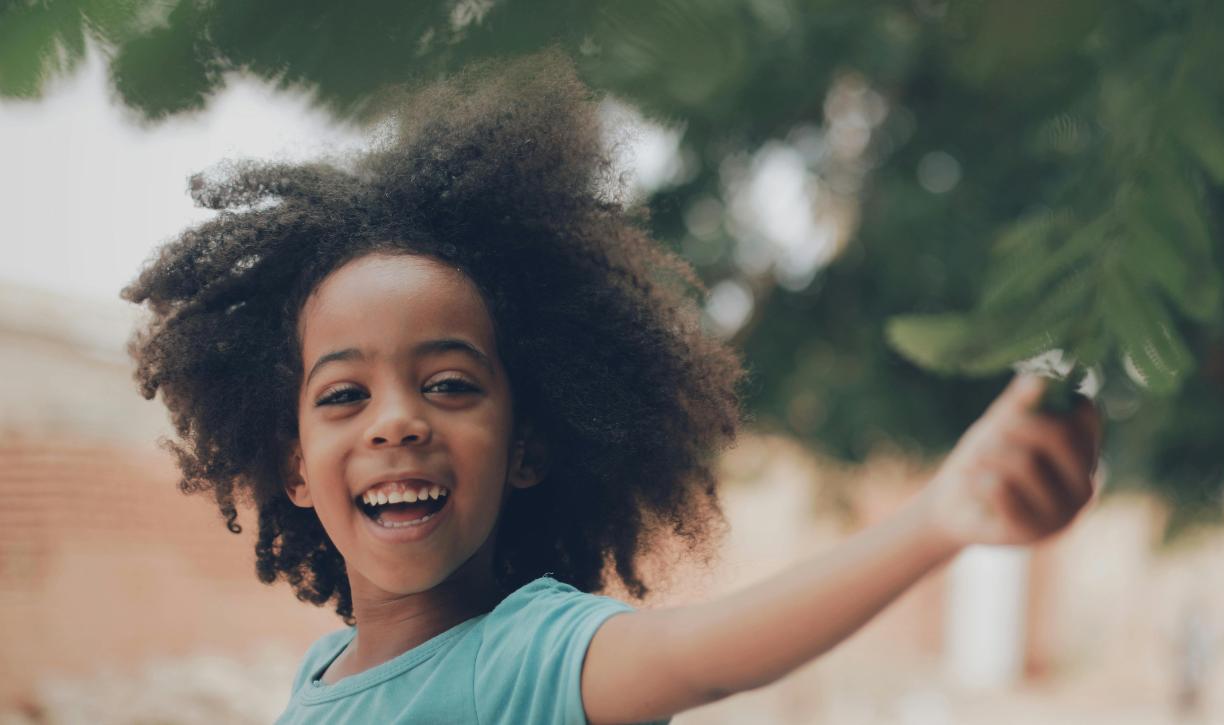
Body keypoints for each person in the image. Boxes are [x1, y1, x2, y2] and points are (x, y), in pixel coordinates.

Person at [122, 52, 1103, 725]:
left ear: (527, 446)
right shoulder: (320, 674)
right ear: (294, 464)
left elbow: (701, 653)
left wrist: (937, 519)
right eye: (344, 394)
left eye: (449, 383)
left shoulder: (532, 656)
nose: (398, 421)